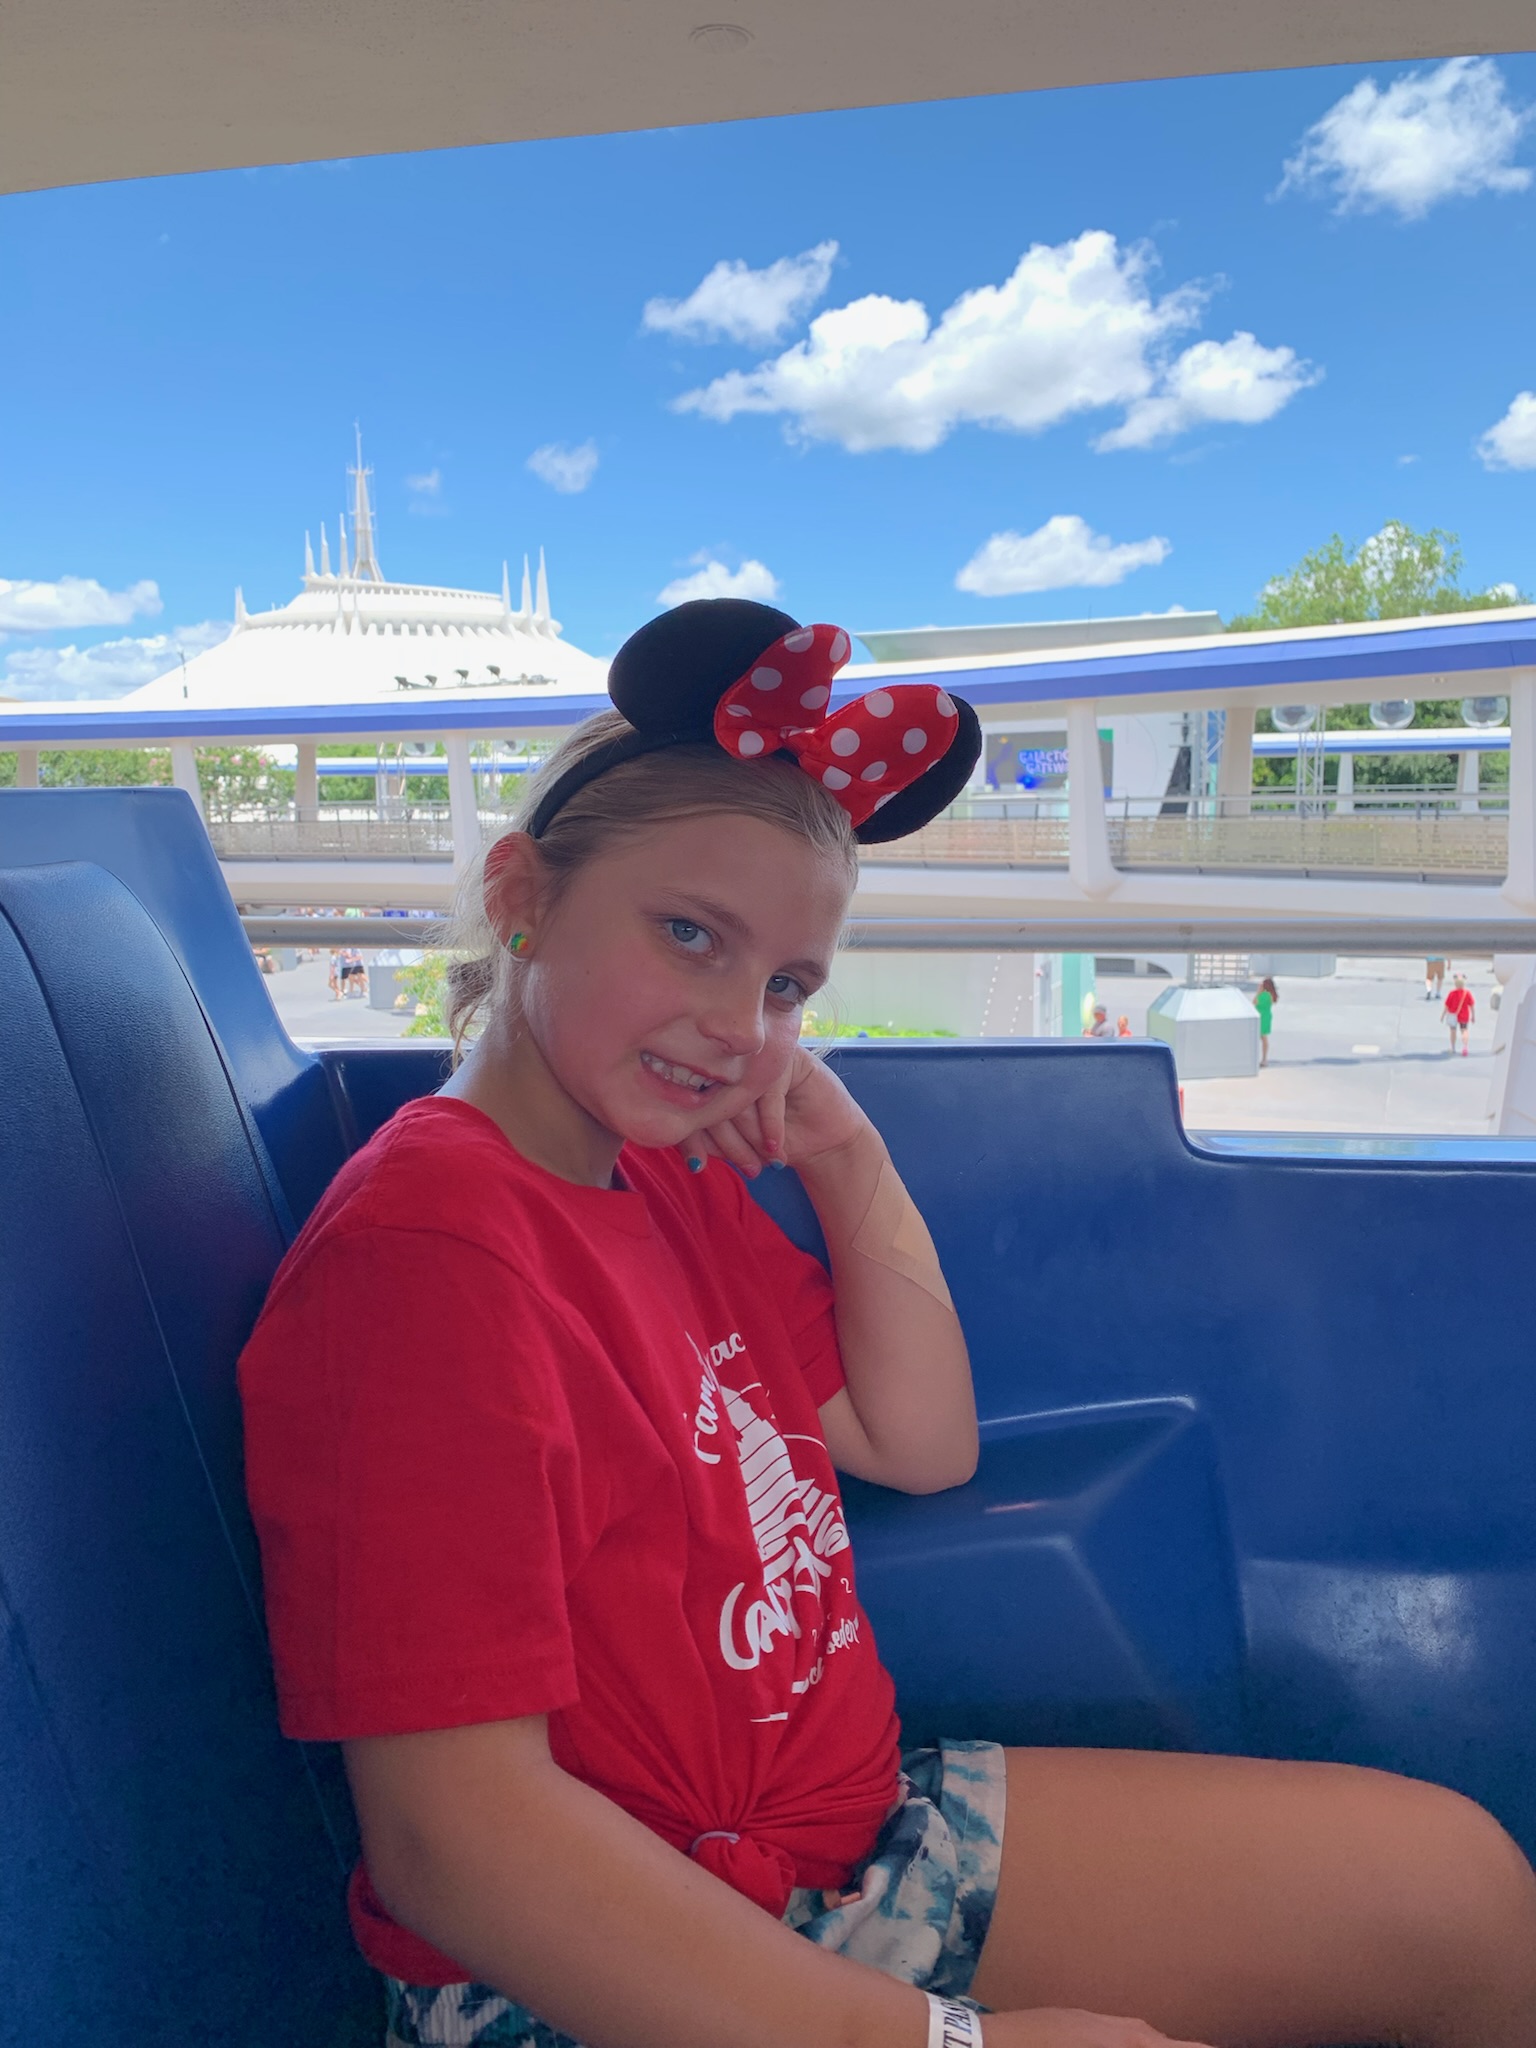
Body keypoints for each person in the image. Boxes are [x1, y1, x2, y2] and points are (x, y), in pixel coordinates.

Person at [239, 600, 1536, 2048]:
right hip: (606, 1955)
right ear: (521, 894)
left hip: (852, 1841)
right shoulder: (428, 1255)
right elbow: (456, 1843)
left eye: (787, 986)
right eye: (690, 935)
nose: (742, 1027)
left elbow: (921, 1441)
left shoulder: (658, 1179)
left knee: (1467, 1894)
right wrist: (933, 2043)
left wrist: (846, 1153)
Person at [1444, 974, 1475, 1057]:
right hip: (1464, 1015)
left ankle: (1453, 1047)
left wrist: (1443, 1015)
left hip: (1453, 1015)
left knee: (1453, 1031)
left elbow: (1447, 1005)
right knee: (1464, 1030)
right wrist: (1473, 1016)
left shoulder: (1452, 993)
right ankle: (1465, 1047)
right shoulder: (1467, 993)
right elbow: (1472, 1005)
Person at [1253, 977, 1277, 1069]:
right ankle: (1264, 1058)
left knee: (1263, 1037)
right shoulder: (1269, 995)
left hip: (1263, 1017)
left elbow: (1255, 1002)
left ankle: (1264, 1059)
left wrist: (1258, 992)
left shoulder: (1265, 995)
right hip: (1265, 1016)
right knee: (1262, 1037)